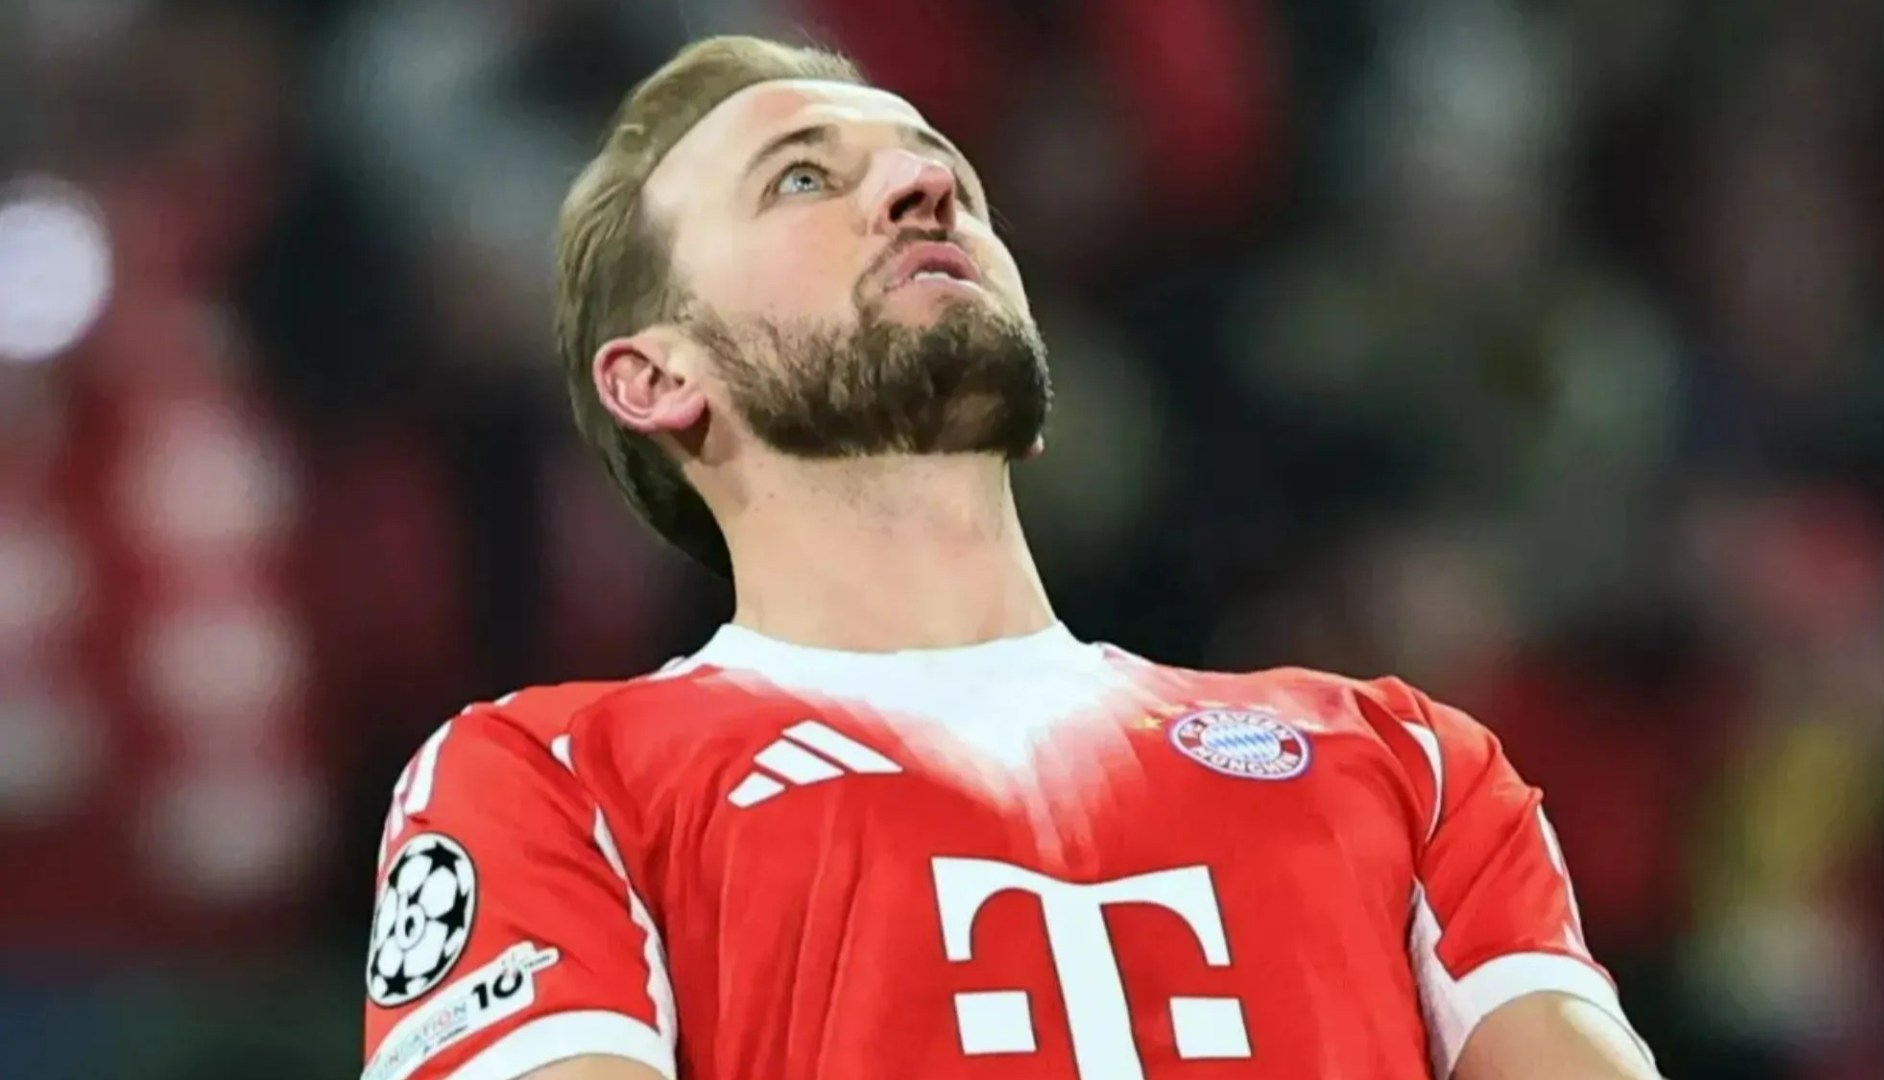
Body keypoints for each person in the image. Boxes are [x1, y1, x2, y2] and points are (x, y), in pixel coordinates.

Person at [360, 35, 1661, 1080]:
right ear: (656, 378)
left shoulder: (1407, 765)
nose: (922, 188)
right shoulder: (554, 784)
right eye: (801, 179)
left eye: (946, 175)